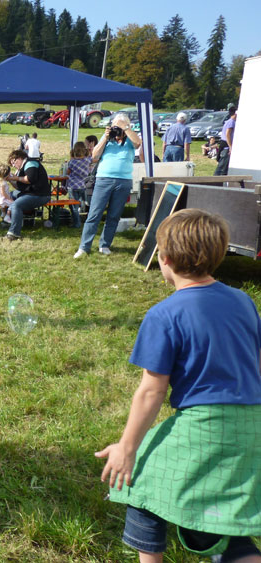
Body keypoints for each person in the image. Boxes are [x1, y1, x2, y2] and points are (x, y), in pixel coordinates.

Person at [95, 209, 261, 563]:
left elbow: (151, 392)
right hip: (252, 424)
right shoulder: (244, 302)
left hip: (206, 424)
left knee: (137, 479)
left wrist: (126, 447)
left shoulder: (164, 314)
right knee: (224, 510)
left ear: (164, 259)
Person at [74, 113, 141, 258]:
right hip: (104, 180)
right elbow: (94, 156)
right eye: (116, 125)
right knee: (94, 213)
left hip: (123, 181)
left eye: (121, 126)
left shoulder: (129, 139)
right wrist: (105, 137)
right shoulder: (107, 140)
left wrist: (126, 128)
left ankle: (104, 245)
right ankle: (84, 247)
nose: (118, 129)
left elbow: (137, 143)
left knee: (114, 215)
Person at [4, 149, 51, 242]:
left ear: (20, 157)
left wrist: (16, 177)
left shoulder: (31, 163)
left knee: (17, 205)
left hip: (40, 195)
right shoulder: (22, 167)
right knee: (8, 196)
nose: (14, 165)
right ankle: (8, 220)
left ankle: (14, 233)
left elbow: (30, 178)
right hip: (31, 193)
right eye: (12, 164)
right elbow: (19, 187)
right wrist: (10, 180)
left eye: (14, 162)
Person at [66, 141, 93, 227]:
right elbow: (93, 158)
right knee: (86, 203)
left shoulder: (72, 162)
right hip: (83, 185)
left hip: (73, 186)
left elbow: (68, 172)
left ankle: (76, 223)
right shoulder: (87, 160)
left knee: (74, 207)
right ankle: (88, 220)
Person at [214, 105, 236, 176]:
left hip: (225, 145)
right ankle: (214, 183)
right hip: (226, 147)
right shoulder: (231, 122)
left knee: (224, 167)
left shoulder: (228, 121)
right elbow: (227, 134)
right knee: (222, 167)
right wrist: (230, 147)